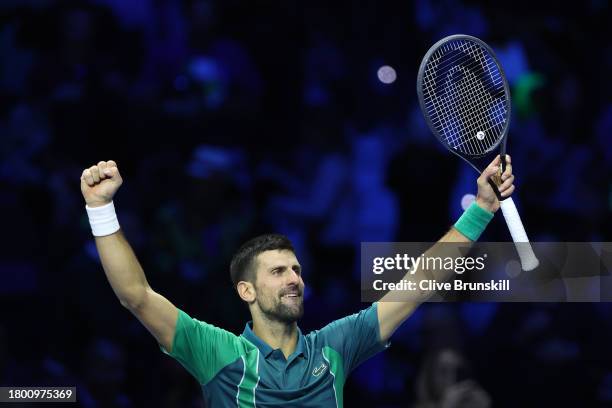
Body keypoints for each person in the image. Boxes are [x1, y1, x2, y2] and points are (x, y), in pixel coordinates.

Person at [79, 156, 514, 407]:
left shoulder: (335, 345)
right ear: (246, 291)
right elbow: (136, 296)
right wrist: (100, 209)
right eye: (278, 271)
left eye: (297, 270)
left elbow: (418, 283)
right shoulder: (217, 352)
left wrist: (481, 208)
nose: (294, 279)